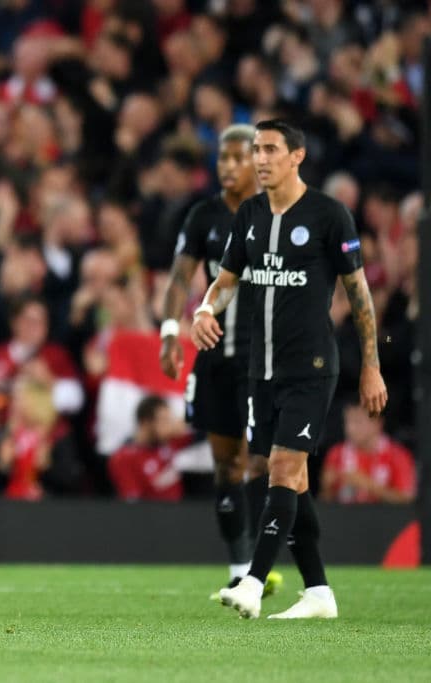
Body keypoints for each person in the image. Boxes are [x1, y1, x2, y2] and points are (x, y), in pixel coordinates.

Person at [192, 119, 388, 619]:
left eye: (271, 150)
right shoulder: (251, 215)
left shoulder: (329, 215)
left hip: (312, 367)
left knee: (282, 467)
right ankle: (319, 592)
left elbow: (359, 294)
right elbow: (227, 279)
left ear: (296, 157)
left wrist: (372, 366)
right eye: (256, 149)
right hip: (262, 368)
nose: (260, 159)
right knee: (288, 480)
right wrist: (203, 310)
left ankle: (253, 581)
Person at [159, 124, 277, 596]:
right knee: (225, 464)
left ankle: (259, 566)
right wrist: (170, 332)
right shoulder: (203, 215)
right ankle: (239, 567)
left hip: (262, 355)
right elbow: (178, 278)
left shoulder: (276, 213)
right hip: (212, 356)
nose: (227, 167)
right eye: (222, 159)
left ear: (257, 162)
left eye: (237, 158)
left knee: (260, 460)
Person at [320, 397, 416, 504]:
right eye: (347, 421)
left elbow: (408, 501)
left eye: (357, 421)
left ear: (377, 423)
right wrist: (327, 488)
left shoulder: (398, 455)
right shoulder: (336, 453)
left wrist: (367, 485)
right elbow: (325, 503)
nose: (350, 428)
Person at [108, 395, 189, 502]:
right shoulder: (123, 459)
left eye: (170, 420)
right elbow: (133, 504)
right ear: (146, 423)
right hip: (153, 515)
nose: (170, 427)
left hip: (181, 512)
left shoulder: (171, 443)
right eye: (164, 421)